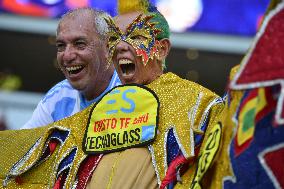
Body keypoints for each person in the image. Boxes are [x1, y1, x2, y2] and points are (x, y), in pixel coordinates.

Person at [0, 2, 224, 189]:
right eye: (116, 38)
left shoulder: (197, 103)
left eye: (135, 36)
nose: (121, 47)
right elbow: (24, 151)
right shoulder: (70, 102)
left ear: (163, 49)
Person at [21, 7, 121, 129]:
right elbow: (22, 145)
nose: (67, 56)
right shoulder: (58, 97)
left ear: (108, 47)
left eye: (79, 44)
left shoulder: (134, 93)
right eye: (61, 46)